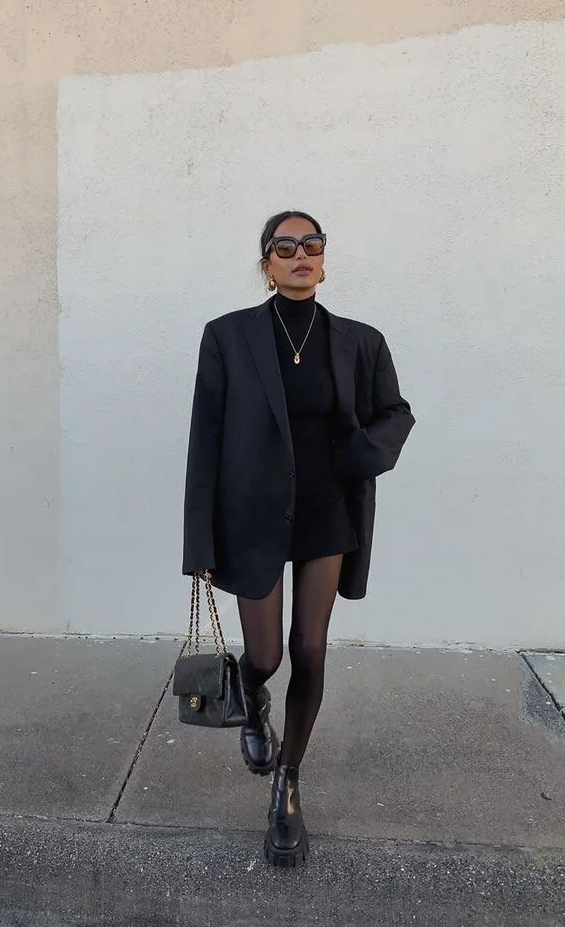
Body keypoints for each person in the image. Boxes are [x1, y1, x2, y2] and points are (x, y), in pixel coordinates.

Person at [182, 211, 415, 867]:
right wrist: (198, 544)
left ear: (323, 257)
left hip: (325, 512)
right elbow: (205, 439)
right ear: (266, 264)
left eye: (310, 244)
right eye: (284, 247)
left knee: (309, 648)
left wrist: (354, 458)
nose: (299, 255)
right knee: (266, 654)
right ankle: (252, 696)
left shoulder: (359, 341)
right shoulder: (227, 336)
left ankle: (286, 783)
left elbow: (395, 413)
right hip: (251, 514)